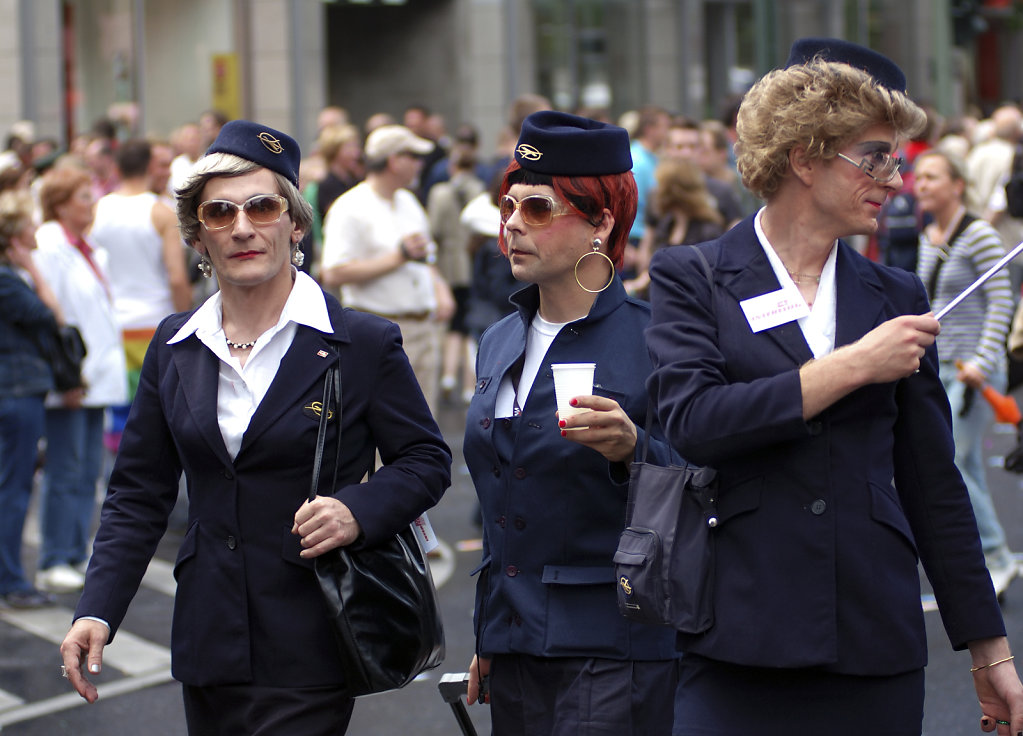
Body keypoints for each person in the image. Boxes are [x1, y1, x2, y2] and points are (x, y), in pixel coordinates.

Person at [644, 38, 1023, 735]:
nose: (895, 179)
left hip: (870, 640)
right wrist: (851, 365)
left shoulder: (895, 290)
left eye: (897, 159)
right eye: (875, 157)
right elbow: (693, 422)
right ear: (804, 157)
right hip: (735, 639)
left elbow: (931, 482)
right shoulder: (691, 274)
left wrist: (987, 648)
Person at [58, 120, 451, 734]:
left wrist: (358, 509)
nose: (242, 227)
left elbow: (426, 460)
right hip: (208, 640)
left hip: (315, 633)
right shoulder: (175, 346)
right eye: (220, 213)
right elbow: (138, 493)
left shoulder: (361, 343)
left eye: (262, 207)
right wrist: (97, 611)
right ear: (199, 236)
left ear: (294, 225)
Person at [463, 111, 678, 735]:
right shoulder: (500, 339)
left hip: (615, 644)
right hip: (514, 642)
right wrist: (493, 632)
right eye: (509, 207)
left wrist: (633, 449)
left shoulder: (656, 337)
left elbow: (710, 482)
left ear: (602, 222)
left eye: (537, 209)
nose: (511, 226)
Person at [914, 148, 1017, 595]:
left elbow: (1002, 301)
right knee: (967, 464)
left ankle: (995, 554)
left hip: (974, 373)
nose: (920, 185)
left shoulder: (979, 235)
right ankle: (992, 559)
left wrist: (984, 359)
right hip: (941, 367)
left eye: (932, 177)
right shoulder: (927, 235)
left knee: (950, 459)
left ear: (958, 184)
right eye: (918, 177)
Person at [33, 165, 127, 594]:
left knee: (87, 469)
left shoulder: (89, 248)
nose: (92, 204)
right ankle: (55, 556)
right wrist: (67, 376)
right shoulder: (49, 248)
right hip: (73, 379)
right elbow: (56, 322)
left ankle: (73, 550)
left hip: (97, 377)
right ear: (60, 204)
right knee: (66, 470)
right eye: (83, 197)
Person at [320, 124, 455, 413]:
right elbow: (333, 272)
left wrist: (441, 290)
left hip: (423, 327)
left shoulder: (408, 201)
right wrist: (398, 257)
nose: (420, 164)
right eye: (414, 157)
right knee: (387, 427)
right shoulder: (350, 206)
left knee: (424, 426)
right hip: (379, 329)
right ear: (394, 161)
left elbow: (425, 257)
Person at [0, 189, 63, 609]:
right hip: (17, 391)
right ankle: (11, 580)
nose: (37, 230)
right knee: (14, 488)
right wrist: (33, 270)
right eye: (30, 226)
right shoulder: (9, 280)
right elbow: (51, 314)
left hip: (16, 390)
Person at [625, 157, 726, 296]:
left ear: (673, 191)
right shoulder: (667, 223)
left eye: (660, 185)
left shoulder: (708, 231)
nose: (655, 191)